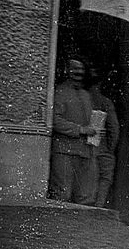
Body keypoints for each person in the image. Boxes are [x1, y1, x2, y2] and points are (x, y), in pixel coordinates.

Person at [48, 56, 98, 204]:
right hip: (64, 151)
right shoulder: (59, 92)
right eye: (74, 68)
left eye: (81, 69)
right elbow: (54, 120)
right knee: (62, 193)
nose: (78, 72)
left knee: (84, 196)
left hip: (85, 152)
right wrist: (80, 129)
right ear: (66, 71)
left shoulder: (86, 95)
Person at [87, 66, 121, 208]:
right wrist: (111, 148)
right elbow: (114, 127)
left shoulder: (82, 99)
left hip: (84, 145)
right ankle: (99, 206)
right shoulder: (105, 102)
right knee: (105, 178)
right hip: (102, 146)